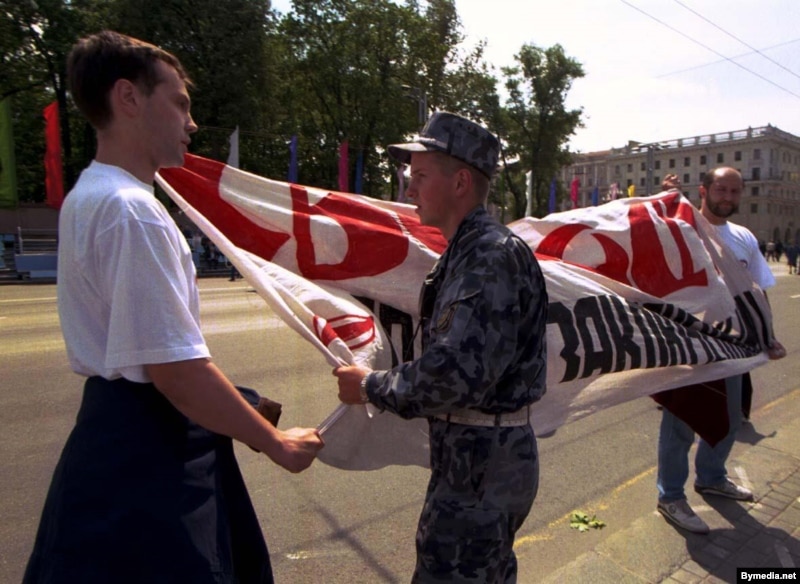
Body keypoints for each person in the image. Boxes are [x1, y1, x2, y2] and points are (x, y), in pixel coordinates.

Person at [24, 31, 323, 583]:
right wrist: (276, 442)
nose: (192, 122)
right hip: (151, 457)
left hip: (110, 439)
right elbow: (176, 371)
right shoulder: (132, 210)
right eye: (180, 103)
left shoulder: (89, 195)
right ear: (128, 98)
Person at [333, 112, 548, 582]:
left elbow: (456, 374)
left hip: (481, 469)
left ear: (460, 182)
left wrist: (370, 386)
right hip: (477, 461)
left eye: (420, 176)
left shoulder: (488, 257)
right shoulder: (470, 251)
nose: (409, 189)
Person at [656, 167, 785, 534]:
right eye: (721, 190)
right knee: (681, 421)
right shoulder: (682, 227)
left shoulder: (744, 237)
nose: (728, 197)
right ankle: (670, 496)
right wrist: (667, 203)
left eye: (734, 191)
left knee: (729, 418)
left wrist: (768, 335)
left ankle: (711, 477)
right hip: (690, 344)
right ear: (704, 190)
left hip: (734, 345)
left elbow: (758, 290)